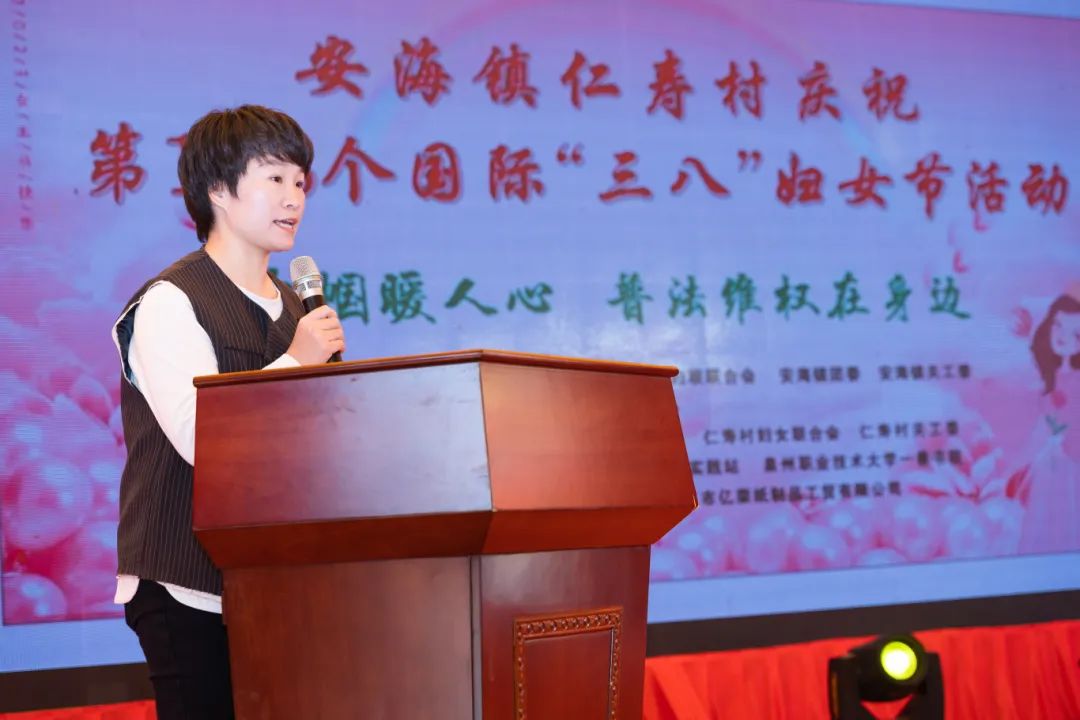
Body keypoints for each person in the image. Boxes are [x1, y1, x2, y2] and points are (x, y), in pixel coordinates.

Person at [110, 105, 345, 719]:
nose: (293, 198)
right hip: (187, 584)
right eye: (275, 178)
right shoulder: (170, 301)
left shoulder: (296, 308)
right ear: (217, 188)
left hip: (278, 582)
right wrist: (296, 362)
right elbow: (204, 438)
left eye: (300, 182)